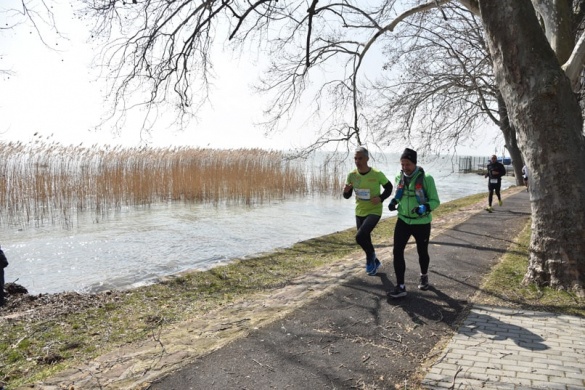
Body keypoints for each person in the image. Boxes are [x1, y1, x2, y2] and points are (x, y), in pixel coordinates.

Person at [387, 148, 440, 298]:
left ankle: (424, 275)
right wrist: (393, 201)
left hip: (421, 222)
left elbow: (436, 201)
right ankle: (401, 286)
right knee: (397, 251)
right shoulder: (400, 177)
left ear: (414, 163)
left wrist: (425, 207)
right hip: (403, 220)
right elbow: (398, 194)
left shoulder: (426, 178)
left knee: (422, 251)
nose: (405, 167)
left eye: (408, 164)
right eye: (402, 164)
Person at [343, 146, 393, 276]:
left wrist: (381, 198)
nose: (357, 161)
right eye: (355, 158)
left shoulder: (377, 174)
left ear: (367, 159)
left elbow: (389, 188)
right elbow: (346, 196)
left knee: (360, 236)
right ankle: (374, 260)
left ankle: (369, 259)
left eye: (360, 158)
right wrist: (346, 191)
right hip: (360, 211)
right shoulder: (352, 176)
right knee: (365, 238)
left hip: (374, 210)